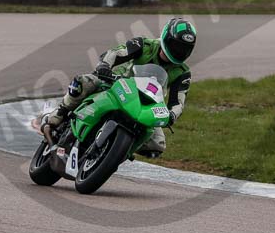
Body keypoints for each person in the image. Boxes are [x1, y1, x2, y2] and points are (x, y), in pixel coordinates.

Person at [37, 17, 196, 157]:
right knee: (82, 82)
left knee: (157, 145)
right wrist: (105, 65)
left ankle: (116, 152)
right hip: (116, 83)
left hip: (144, 103)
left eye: (184, 49)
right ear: (165, 38)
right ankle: (59, 113)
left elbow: (178, 103)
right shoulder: (144, 45)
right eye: (176, 45)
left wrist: (172, 115)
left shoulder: (183, 73)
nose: (179, 51)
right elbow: (116, 52)